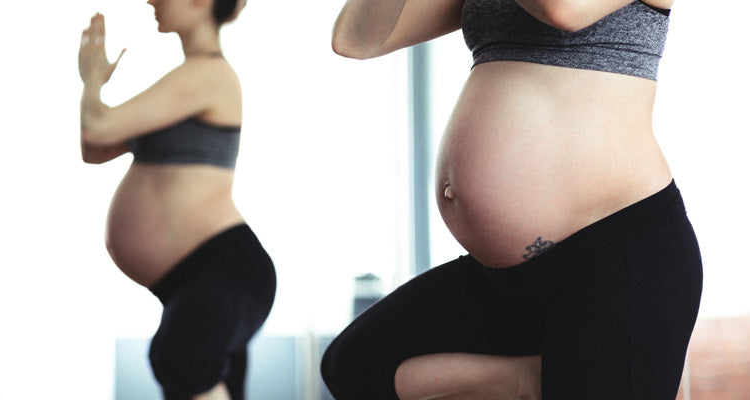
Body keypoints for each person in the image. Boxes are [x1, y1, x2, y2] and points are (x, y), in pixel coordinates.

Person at [321, 0, 702, 399]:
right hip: (511, 277)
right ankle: (528, 381)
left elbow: (563, 10)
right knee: (357, 365)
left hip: (613, 257)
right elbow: (356, 39)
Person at [78, 1, 275, 399]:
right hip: (195, 278)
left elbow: (98, 126)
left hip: (224, 270)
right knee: (184, 368)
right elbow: (94, 149)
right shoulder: (190, 78)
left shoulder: (209, 74)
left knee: (180, 359)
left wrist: (92, 81)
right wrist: (94, 87)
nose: (151, 0)